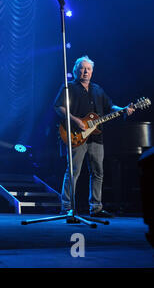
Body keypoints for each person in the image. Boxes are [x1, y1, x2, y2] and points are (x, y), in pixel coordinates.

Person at [54, 56, 135, 218]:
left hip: (96, 138)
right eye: (82, 68)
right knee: (73, 171)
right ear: (76, 70)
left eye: (88, 69)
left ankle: (96, 207)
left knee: (98, 172)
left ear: (92, 71)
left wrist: (124, 108)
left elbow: (110, 106)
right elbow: (58, 107)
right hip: (76, 136)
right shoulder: (69, 87)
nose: (85, 71)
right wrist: (76, 121)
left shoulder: (98, 89)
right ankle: (66, 206)